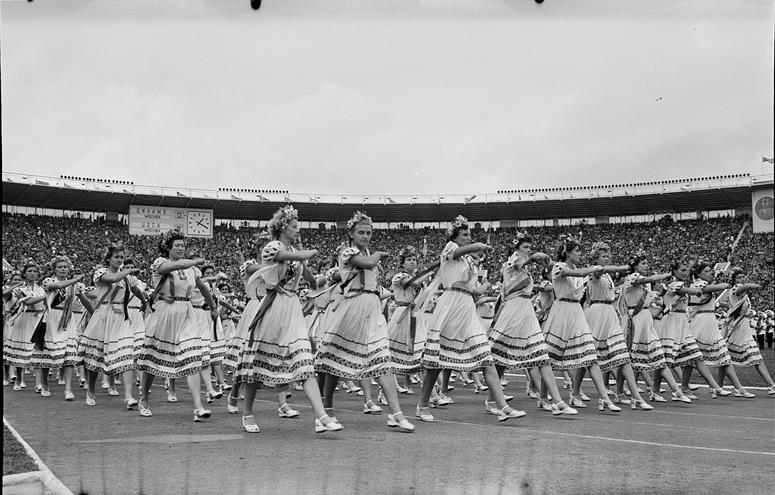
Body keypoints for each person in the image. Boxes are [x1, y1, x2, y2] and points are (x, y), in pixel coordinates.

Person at [236, 206, 343, 434]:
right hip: (274, 307)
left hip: (293, 307)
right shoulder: (272, 247)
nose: (298, 230)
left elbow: (309, 277)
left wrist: (320, 281)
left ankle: (322, 416)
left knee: (304, 360)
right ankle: (248, 413)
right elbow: (290, 258)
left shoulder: (294, 249)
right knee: (258, 363)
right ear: (283, 227)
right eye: (294, 226)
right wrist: (306, 253)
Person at [415, 215, 525, 423]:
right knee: (436, 361)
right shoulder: (450, 248)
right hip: (450, 305)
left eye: (469, 235)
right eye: (464, 234)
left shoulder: (470, 262)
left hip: (467, 307)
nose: (467, 237)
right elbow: (455, 253)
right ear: (455, 236)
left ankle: (502, 406)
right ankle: (423, 405)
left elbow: (472, 289)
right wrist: (477, 246)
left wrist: (482, 289)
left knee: (485, 355)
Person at [315, 211, 415, 431]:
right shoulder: (347, 252)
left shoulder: (368, 252)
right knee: (336, 359)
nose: (366, 236)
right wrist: (378, 254)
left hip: (372, 307)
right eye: (361, 232)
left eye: (369, 232)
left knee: (382, 358)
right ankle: (327, 410)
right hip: (353, 306)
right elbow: (367, 264)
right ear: (351, 233)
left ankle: (396, 413)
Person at [488, 234, 578, 415]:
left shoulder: (522, 267)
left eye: (530, 247)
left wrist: (543, 260)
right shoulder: (511, 263)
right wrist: (535, 256)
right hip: (513, 311)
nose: (528, 250)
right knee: (499, 358)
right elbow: (522, 264)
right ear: (516, 248)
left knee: (541, 355)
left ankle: (558, 401)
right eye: (526, 247)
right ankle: (492, 401)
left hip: (525, 311)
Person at [136, 231, 217, 422]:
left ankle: (198, 406)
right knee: (153, 359)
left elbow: (202, 287)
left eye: (183, 245)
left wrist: (212, 306)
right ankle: (144, 397)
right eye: (177, 246)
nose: (181, 248)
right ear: (168, 248)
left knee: (192, 357)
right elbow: (178, 265)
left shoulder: (192, 270)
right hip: (166, 312)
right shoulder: (160, 263)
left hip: (186, 311)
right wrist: (194, 261)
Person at [543, 237, 622, 412]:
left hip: (576, 312)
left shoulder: (580, 270)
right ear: (567, 253)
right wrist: (595, 268)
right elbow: (578, 275)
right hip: (561, 311)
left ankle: (605, 398)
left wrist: (619, 269)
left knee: (589, 354)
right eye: (577, 251)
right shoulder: (559, 266)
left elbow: (589, 276)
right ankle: (542, 396)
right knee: (551, 355)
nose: (580, 254)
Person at [577, 243, 652, 410]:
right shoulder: (595, 272)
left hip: (609, 312)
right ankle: (575, 391)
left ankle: (636, 397)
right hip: (597, 313)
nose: (607, 258)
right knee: (589, 356)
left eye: (608, 256)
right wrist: (626, 266)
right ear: (596, 259)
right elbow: (602, 271)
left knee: (622, 354)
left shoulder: (607, 276)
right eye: (603, 256)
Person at [77, 243, 144, 408]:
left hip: (121, 317)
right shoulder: (101, 272)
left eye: (122, 257)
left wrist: (144, 300)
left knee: (127, 354)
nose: (120, 260)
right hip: (103, 316)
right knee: (95, 357)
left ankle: (128, 396)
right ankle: (91, 390)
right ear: (108, 259)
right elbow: (112, 279)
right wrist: (128, 271)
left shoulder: (127, 277)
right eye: (117, 257)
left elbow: (135, 289)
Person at [618, 255, 692, 404]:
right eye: (643, 263)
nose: (646, 266)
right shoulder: (633, 277)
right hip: (635, 319)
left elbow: (651, 297)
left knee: (657, 355)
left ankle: (676, 391)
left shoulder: (647, 284)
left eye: (647, 263)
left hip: (645, 319)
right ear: (635, 266)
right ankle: (619, 393)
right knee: (627, 359)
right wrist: (664, 275)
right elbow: (643, 281)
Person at [651, 261, 728, 399]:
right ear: (674, 271)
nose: (685, 272)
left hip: (682, 323)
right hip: (671, 322)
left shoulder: (679, 284)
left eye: (686, 270)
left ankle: (714, 386)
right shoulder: (672, 284)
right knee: (666, 360)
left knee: (696, 355)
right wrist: (697, 291)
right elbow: (684, 291)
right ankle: (655, 391)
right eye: (682, 269)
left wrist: (698, 291)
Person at [686, 262, 753, 397]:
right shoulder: (697, 285)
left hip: (710, 322)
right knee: (692, 358)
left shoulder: (703, 284)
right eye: (706, 271)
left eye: (710, 270)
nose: (710, 273)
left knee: (723, 355)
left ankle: (738, 388)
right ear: (698, 274)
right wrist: (728, 283)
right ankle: (684, 387)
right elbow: (718, 287)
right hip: (701, 322)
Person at [30, 256, 85, 400]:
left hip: (67, 319)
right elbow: (55, 288)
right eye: (60, 267)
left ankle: (68, 389)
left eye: (65, 267)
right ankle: (45, 384)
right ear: (54, 269)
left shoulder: (74, 286)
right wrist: (75, 280)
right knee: (47, 354)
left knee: (68, 354)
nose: (63, 269)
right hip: (51, 319)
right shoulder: (49, 281)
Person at [717, 269, 775, 395]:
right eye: (739, 277)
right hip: (736, 329)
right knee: (727, 360)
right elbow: (745, 287)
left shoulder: (743, 296)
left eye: (743, 277)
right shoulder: (736, 290)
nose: (742, 279)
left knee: (730, 359)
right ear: (734, 281)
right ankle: (718, 387)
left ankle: (718, 387)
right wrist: (759, 285)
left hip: (743, 328)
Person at [4, 263, 46, 391]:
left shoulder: (41, 288)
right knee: (21, 349)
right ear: (25, 273)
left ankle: (38, 383)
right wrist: (45, 297)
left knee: (38, 350)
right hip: (23, 319)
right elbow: (27, 301)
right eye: (30, 271)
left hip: (38, 319)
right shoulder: (19, 288)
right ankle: (19, 379)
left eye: (35, 271)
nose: (33, 273)